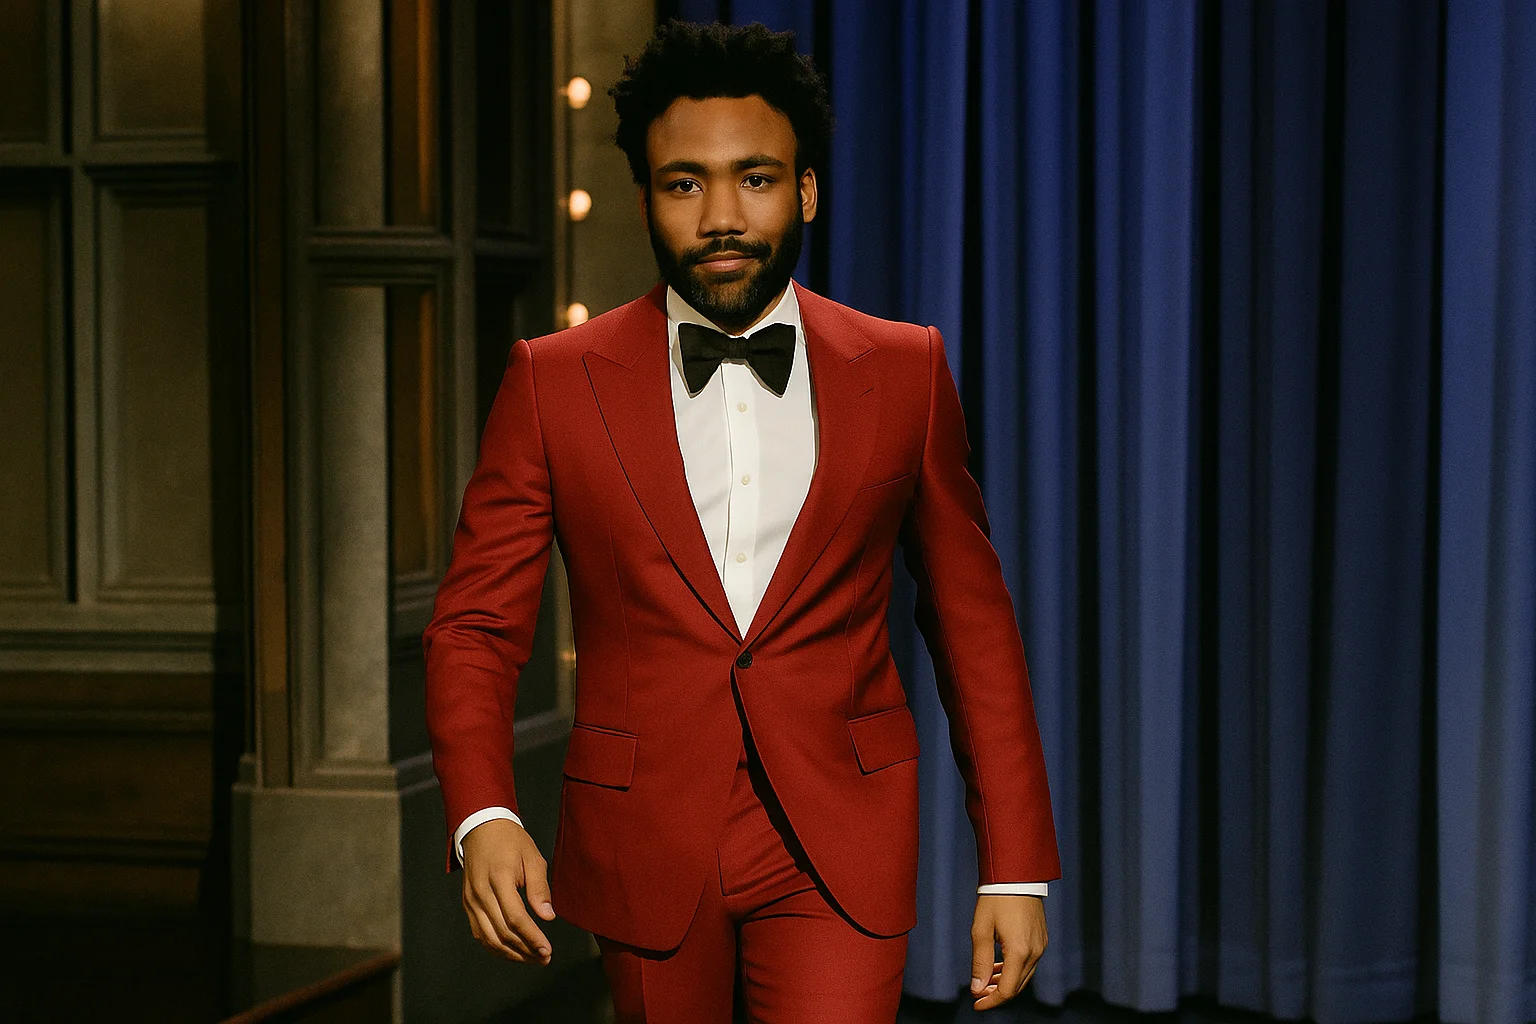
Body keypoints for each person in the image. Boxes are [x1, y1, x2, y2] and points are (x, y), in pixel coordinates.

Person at [424, 20, 1059, 1023]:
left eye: (755, 180)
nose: (721, 215)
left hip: (839, 837)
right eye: (684, 184)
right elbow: (475, 624)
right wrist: (482, 808)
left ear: (805, 191)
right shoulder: (551, 382)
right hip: (644, 834)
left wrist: (1016, 863)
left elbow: (974, 627)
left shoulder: (904, 371)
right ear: (644, 198)